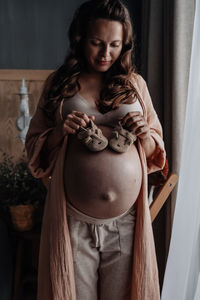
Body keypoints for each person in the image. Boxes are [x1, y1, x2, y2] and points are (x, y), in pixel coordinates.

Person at [25, 0, 166, 299]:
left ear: (124, 45)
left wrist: (145, 135)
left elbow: (156, 153)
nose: (105, 54)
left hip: (126, 223)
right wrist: (60, 132)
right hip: (74, 223)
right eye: (96, 43)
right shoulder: (59, 85)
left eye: (115, 44)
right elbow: (36, 149)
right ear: (80, 39)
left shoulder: (135, 85)